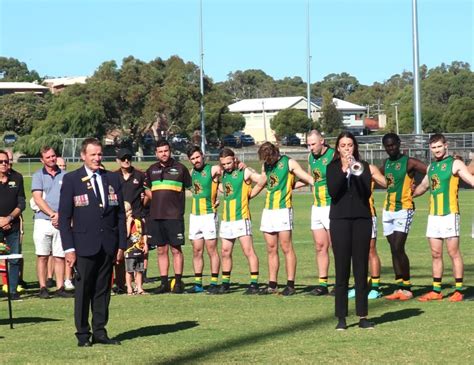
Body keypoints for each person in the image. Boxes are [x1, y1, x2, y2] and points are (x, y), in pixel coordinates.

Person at [59, 138, 126, 347]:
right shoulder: (72, 179)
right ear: (83, 156)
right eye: (93, 154)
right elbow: (64, 218)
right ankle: (82, 334)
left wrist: (121, 245)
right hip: (83, 246)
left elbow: (120, 215)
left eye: (99, 154)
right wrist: (69, 249)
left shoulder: (112, 179)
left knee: (103, 291)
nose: (97, 158)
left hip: (108, 245)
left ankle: (100, 331)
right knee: (83, 292)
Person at [413, 134, 474, 302]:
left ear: (446, 146)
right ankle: (436, 290)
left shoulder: (455, 163)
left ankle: (459, 290)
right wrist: (409, 194)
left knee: (453, 252)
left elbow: (470, 179)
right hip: (434, 215)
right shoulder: (431, 167)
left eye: (439, 146)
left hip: (450, 214)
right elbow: (423, 187)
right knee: (435, 253)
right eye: (433, 147)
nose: (437, 150)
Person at [327, 132, 374, 330]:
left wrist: (357, 172)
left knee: (361, 269)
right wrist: (344, 169)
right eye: (343, 145)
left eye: (350, 145)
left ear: (355, 147)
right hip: (340, 220)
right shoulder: (332, 167)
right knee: (342, 268)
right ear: (338, 148)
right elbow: (334, 191)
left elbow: (366, 192)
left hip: (362, 219)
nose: (347, 149)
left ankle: (363, 316)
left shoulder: (363, 167)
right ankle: (341, 317)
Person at [255, 142, 313, 296]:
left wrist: (292, 185)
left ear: (274, 153)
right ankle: (272, 284)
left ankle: (290, 284)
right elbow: (261, 183)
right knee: (271, 248)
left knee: (286, 247)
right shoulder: (266, 166)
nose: (267, 162)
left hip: (283, 210)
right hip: (268, 210)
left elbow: (308, 179)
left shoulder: (289, 162)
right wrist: (245, 196)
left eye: (268, 158)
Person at [381, 133, 427, 301]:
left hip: (404, 209)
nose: (390, 148)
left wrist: (419, 188)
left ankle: (407, 287)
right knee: (393, 249)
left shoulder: (409, 162)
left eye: (393, 145)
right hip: (388, 210)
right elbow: (378, 178)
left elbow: (430, 172)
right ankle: (399, 286)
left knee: (399, 247)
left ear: (399, 144)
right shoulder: (385, 163)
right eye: (387, 146)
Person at [144, 140, 192, 294]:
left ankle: (177, 282)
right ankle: (164, 283)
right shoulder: (151, 170)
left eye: (166, 150)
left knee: (176, 250)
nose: (163, 154)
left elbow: (193, 187)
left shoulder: (181, 169)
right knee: (160, 250)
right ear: (156, 153)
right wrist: (157, 200)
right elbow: (146, 189)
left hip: (174, 217)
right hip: (156, 216)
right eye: (160, 151)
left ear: (170, 151)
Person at [217, 148, 262, 295]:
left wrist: (251, 195)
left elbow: (262, 180)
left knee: (248, 251)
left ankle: (254, 284)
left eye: (229, 163)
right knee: (225, 252)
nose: (227, 166)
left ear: (235, 159)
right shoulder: (223, 174)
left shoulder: (244, 171)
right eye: (224, 164)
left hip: (241, 218)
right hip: (227, 219)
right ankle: (225, 283)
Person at [31, 146, 73, 299]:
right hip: (43, 220)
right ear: (42, 160)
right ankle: (43, 287)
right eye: (48, 157)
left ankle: (60, 286)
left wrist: (61, 216)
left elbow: (69, 198)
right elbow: (38, 198)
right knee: (42, 255)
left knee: (60, 255)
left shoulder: (66, 175)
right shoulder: (38, 176)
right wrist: (52, 214)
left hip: (62, 221)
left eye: (53, 156)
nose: (52, 159)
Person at [186, 146, 221, 294]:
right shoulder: (191, 173)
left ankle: (213, 283)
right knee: (196, 251)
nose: (196, 160)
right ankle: (198, 284)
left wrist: (219, 192)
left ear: (202, 155)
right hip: (195, 216)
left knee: (211, 250)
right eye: (193, 158)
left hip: (209, 215)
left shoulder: (213, 169)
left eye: (197, 157)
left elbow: (229, 171)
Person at [348, 164, 387, 300]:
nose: (348, 150)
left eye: (350, 146)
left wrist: (372, 174)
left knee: (370, 250)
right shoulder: (341, 167)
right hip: (349, 215)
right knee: (354, 252)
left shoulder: (369, 167)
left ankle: (375, 287)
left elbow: (386, 183)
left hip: (367, 214)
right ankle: (359, 285)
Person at [305, 130, 336, 296]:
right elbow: (312, 180)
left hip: (332, 206)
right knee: (320, 246)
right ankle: (322, 284)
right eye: (308, 144)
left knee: (336, 246)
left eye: (313, 144)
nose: (311, 148)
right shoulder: (311, 158)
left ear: (322, 141)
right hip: (316, 207)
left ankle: (340, 283)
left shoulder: (333, 155)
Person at [114, 148, 148, 294]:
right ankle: (122, 284)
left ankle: (139, 285)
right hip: (118, 218)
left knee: (139, 253)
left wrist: (142, 206)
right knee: (119, 253)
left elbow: (148, 194)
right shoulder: (113, 176)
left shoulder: (140, 175)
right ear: (118, 160)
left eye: (128, 158)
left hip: (136, 220)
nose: (126, 161)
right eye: (123, 159)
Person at [0, 149, 25, 300]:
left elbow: (21, 203)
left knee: (14, 258)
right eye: (0, 162)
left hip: (12, 226)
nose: (4, 164)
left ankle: (13, 290)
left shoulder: (17, 177)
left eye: (6, 161)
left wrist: (8, 219)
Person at [124, 201, 148, 295]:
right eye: (126, 211)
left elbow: (144, 233)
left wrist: (145, 244)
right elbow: (126, 234)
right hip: (129, 250)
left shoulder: (138, 220)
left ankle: (139, 288)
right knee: (129, 270)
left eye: (130, 210)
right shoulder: (124, 223)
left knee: (139, 270)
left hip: (139, 248)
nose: (129, 212)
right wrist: (129, 223)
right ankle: (129, 288)